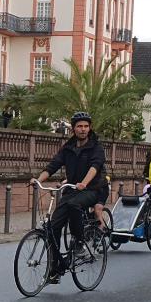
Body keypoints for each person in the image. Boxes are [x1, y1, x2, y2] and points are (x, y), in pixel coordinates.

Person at [33, 111, 107, 280]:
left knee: (75, 205)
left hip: (92, 190)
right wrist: (37, 180)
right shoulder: (68, 148)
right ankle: (54, 268)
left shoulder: (96, 147)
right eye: (79, 126)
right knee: (52, 227)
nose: (83, 129)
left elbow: (95, 167)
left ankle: (79, 242)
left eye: (86, 126)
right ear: (73, 129)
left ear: (90, 128)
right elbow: (52, 166)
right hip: (72, 189)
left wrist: (85, 183)